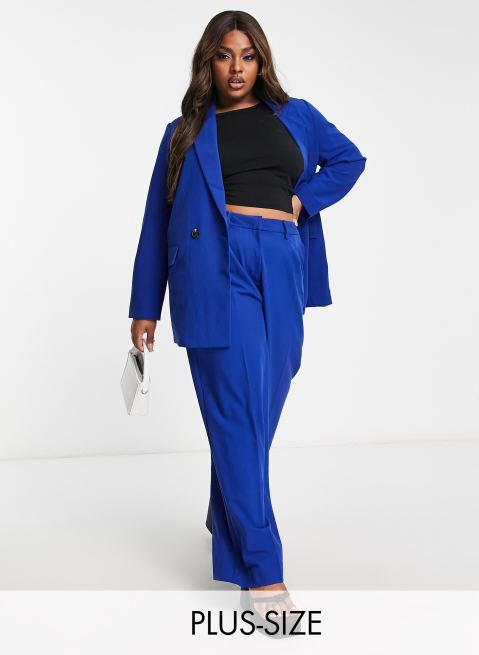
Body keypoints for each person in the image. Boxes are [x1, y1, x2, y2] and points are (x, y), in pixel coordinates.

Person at [128, 10, 366, 635]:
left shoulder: (298, 116)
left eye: (248, 55)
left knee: (258, 409)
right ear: (208, 62)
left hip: (283, 261)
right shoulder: (183, 134)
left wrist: (302, 199)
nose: (236, 68)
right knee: (236, 412)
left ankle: (227, 513)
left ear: (262, 61)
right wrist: (145, 305)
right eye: (225, 55)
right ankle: (263, 572)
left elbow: (349, 160)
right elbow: (156, 219)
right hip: (217, 266)